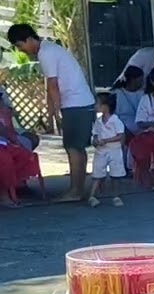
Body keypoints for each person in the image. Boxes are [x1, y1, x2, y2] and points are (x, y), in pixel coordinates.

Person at [7, 23, 97, 202]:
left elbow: (53, 86)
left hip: (74, 104)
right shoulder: (49, 49)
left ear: (28, 39)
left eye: (20, 45)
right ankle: (78, 189)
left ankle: (75, 191)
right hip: (81, 102)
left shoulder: (45, 53)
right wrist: (50, 114)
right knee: (78, 148)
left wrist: (56, 114)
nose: (21, 50)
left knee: (73, 148)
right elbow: (50, 87)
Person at [87, 93, 127, 208]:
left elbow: (120, 135)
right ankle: (92, 196)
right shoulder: (98, 121)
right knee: (98, 173)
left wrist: (106, 140)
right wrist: (95, 140)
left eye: (98, 104)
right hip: (101, 150)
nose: (95, 106)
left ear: (105, 106)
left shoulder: (116, 121)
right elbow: (95, 133)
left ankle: (116, 196)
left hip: (114, 150)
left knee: (116, 174)